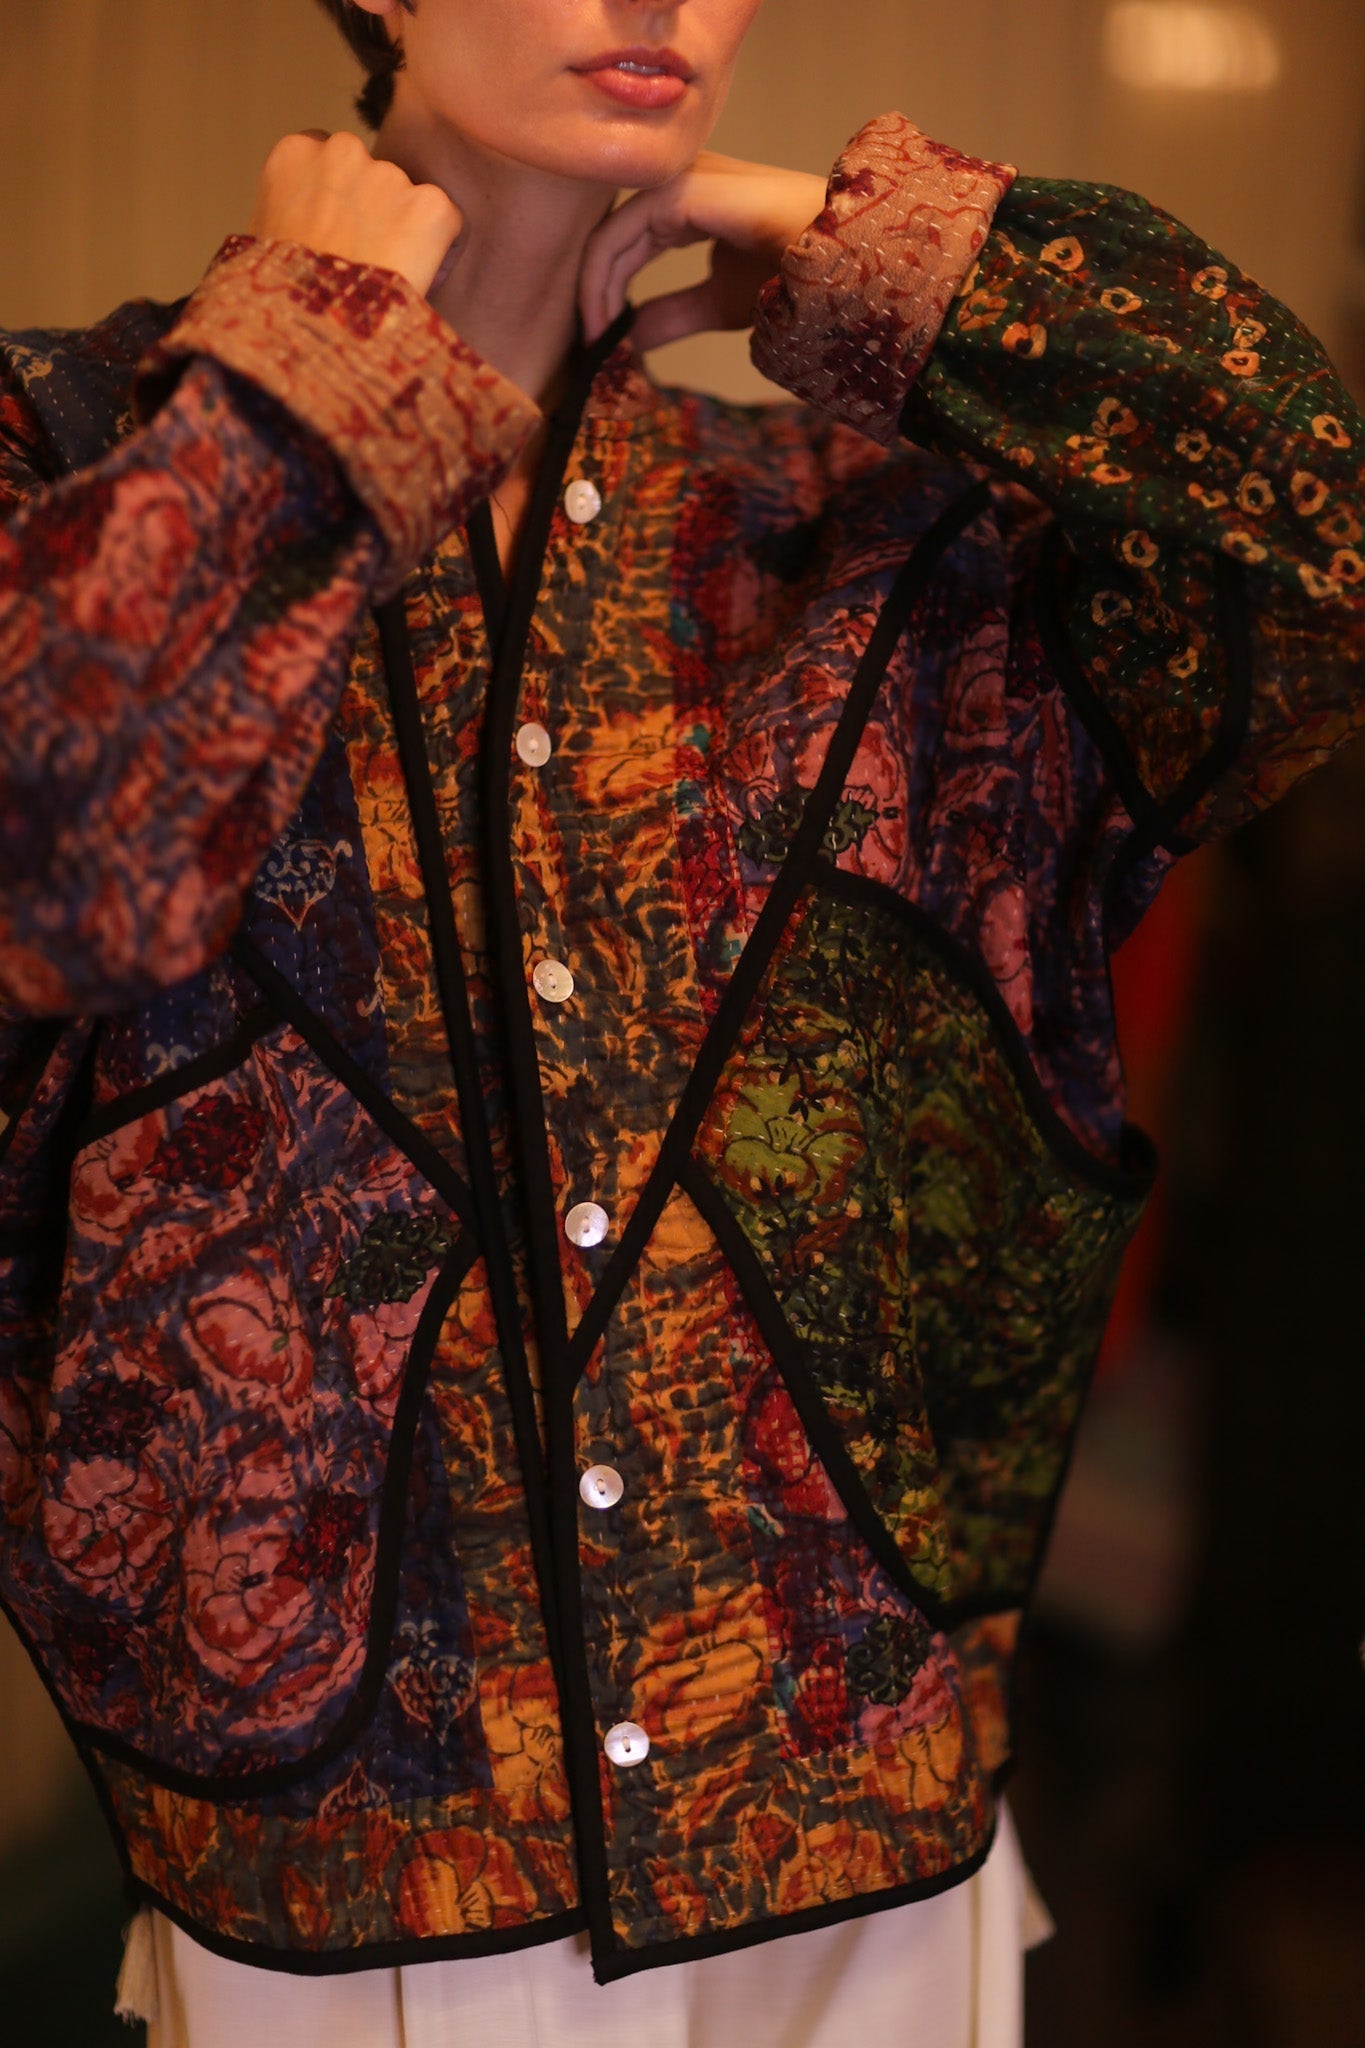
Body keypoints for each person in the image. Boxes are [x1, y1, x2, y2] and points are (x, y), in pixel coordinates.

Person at [0, 1, 1360, 2042]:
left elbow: (1307, 549)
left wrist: (877, 256)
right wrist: (305, 370)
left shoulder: (854, 532)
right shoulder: (87, 448)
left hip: (849, 1822)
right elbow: (50, 846)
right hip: (352, 1851)